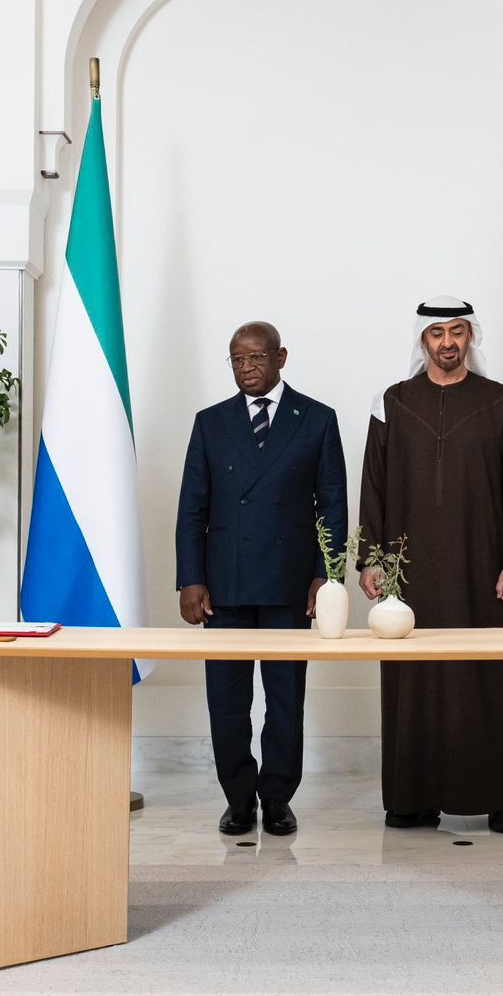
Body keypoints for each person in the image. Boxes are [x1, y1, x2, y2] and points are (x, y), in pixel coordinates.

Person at [358, 296, 503, 834]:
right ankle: (412, 799)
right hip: (407, 573)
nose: (448, 342)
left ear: (470, 336)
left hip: (482, 568)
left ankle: (500, 799)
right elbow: (373, 484)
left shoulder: (501, 402)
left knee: (486, 677)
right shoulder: (393, 401)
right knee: (411, 677)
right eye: (437, 333)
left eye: (457, 331)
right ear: (423, 339)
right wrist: (371, 559)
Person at [176, 321, 347, 837]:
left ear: (281, 357)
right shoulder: (211, 422)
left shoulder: (316, 419)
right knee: (227, 702)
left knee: (285, 700)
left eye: (256, 357)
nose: (246, 368)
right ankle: (237, 799)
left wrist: (326, 575)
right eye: (237, 360)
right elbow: (192, 508)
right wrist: (190, 578)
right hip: (223, 586)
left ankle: (276, 798)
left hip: (289, 585)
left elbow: (332, 506)